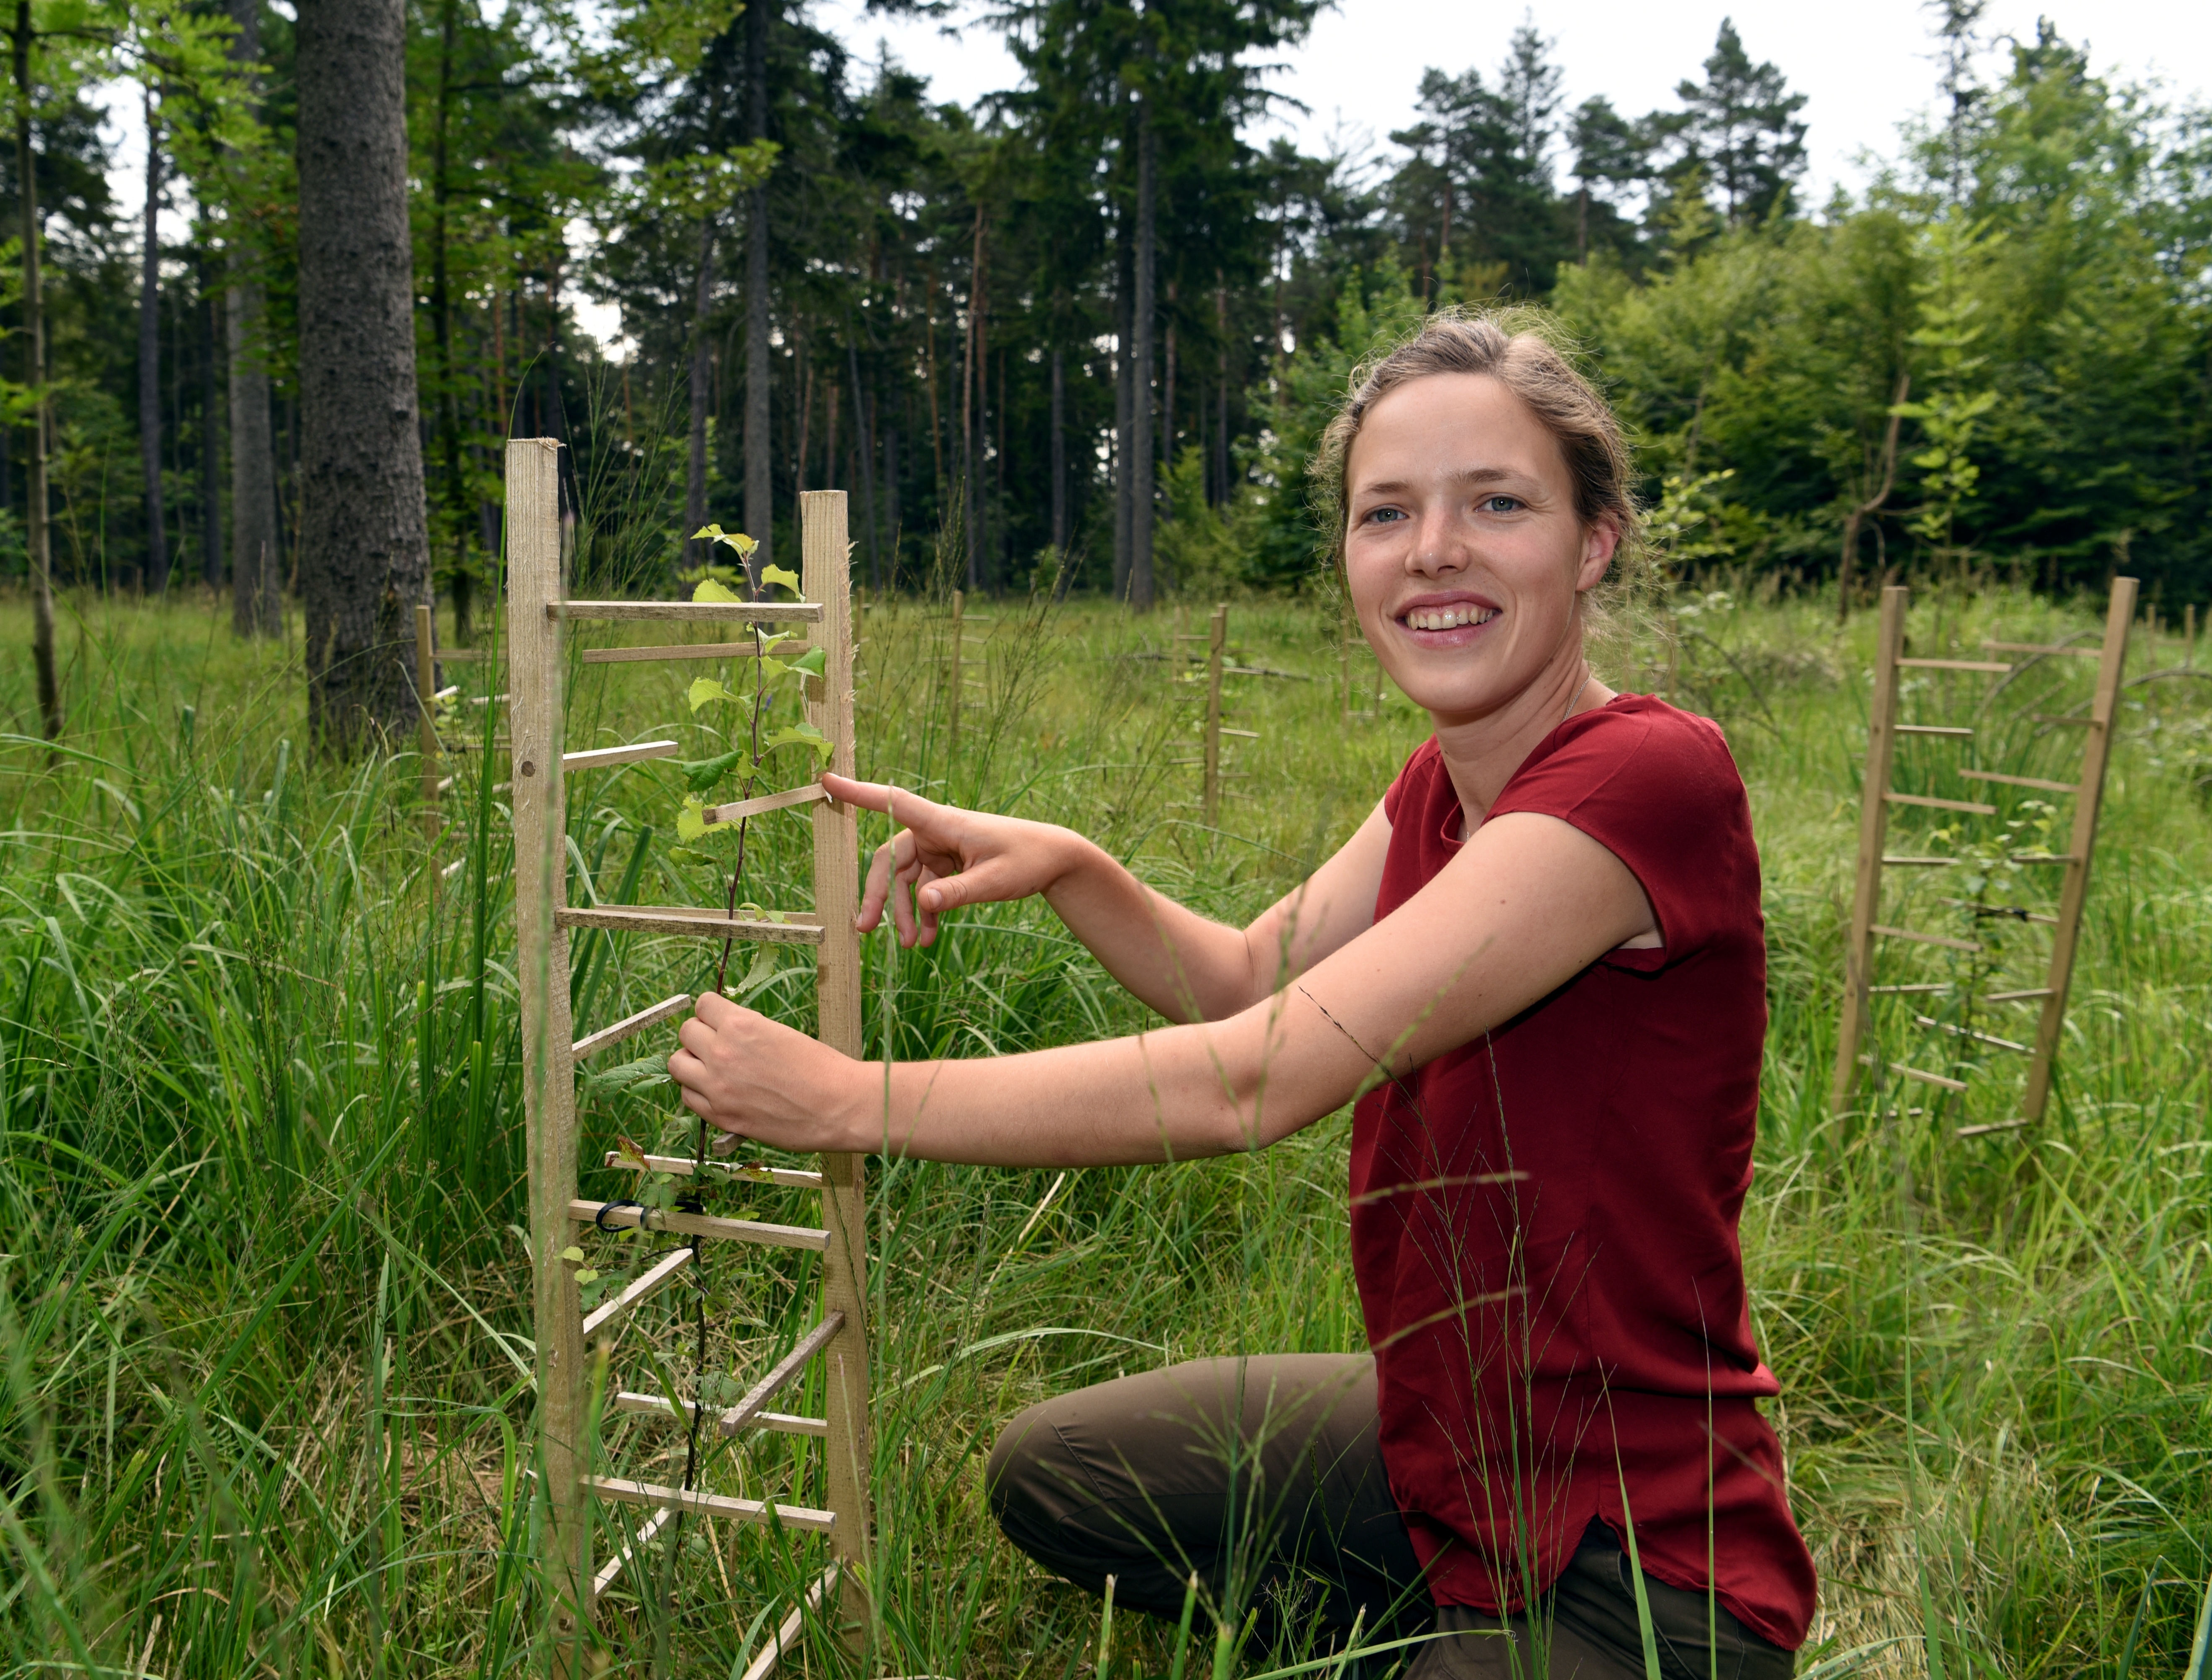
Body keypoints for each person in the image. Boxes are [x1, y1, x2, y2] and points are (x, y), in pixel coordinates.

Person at [667, 312, 1815, 1679]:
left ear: (1591, 544)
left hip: (1638, 1556)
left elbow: (1254, 1075)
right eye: (1386, 512)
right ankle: (1429, 1637)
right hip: (1457, 1432)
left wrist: (853, 1102)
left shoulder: (1646, 778)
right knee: (1065, 1474)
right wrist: (1075, 869)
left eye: (1496, 503)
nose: (1433, 549)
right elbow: (1249, 975)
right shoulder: (1442, 786)